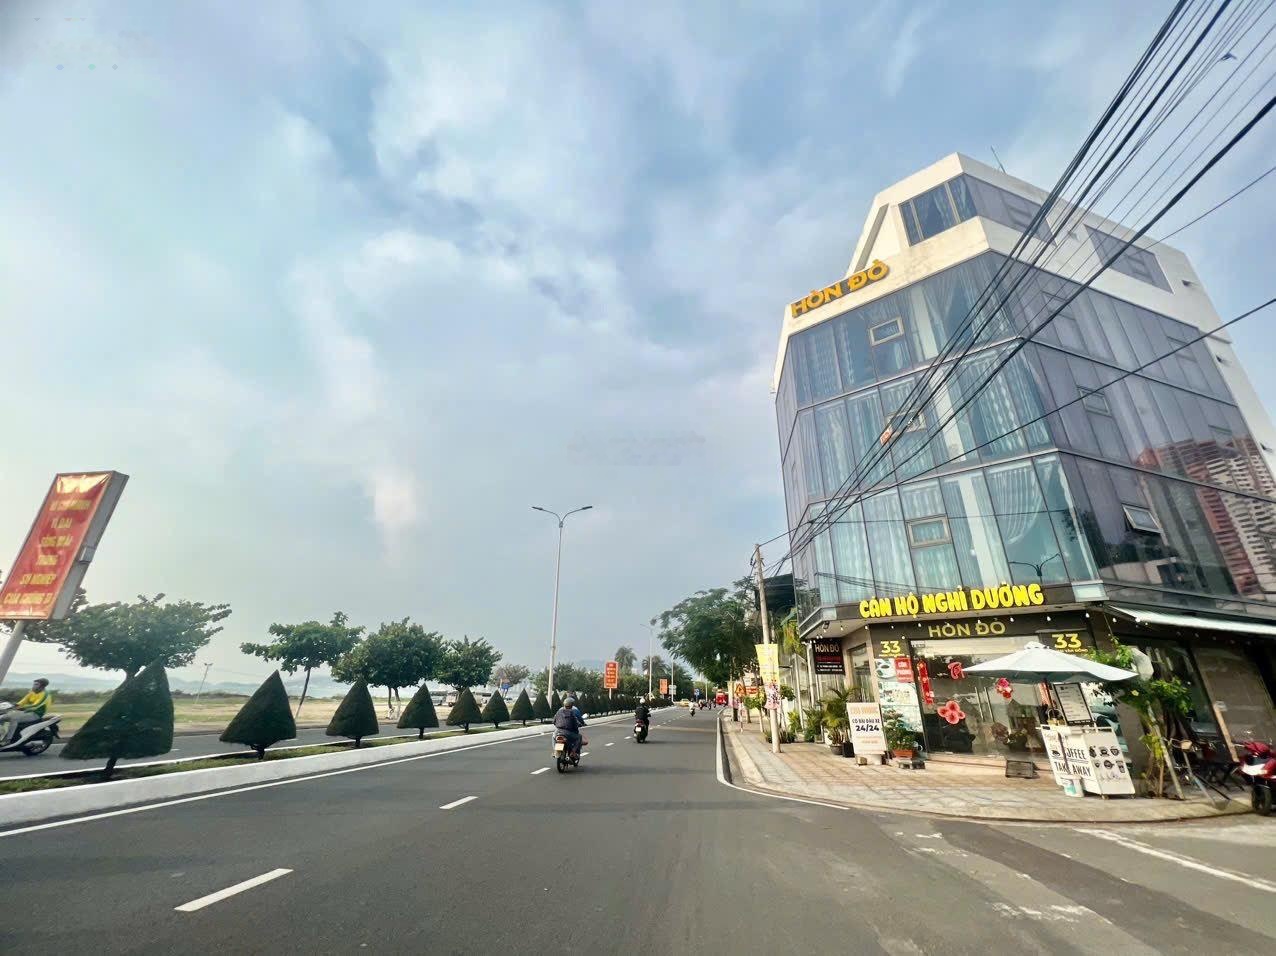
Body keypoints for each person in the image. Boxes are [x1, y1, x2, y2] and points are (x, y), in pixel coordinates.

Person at [3, 678, 51, 744]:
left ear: (42, 686)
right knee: (3, 717)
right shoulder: (32, 691)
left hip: (36, 713)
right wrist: (15, 705)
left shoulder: (45, 694)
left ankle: (8, 740)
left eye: (36, 684)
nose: (33, 686)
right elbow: (24, 700)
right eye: (34, 684)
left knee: (14, 719)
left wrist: (21, 708)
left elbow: (36, 705)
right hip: (27, 711)